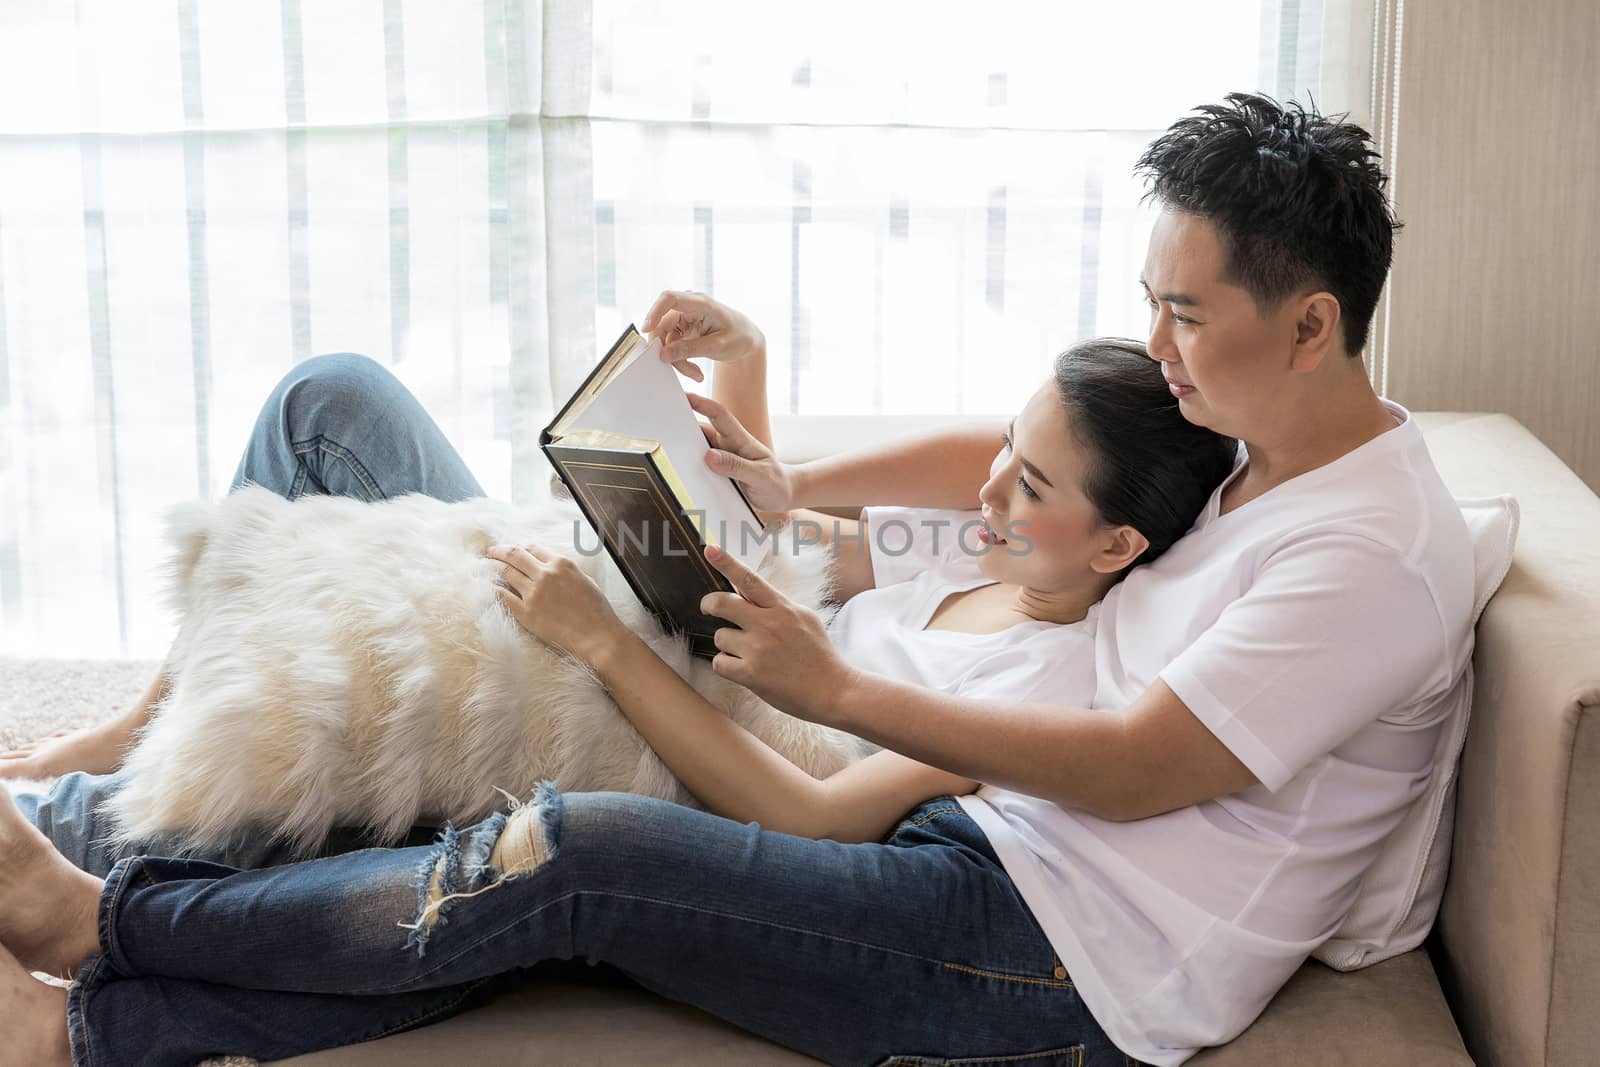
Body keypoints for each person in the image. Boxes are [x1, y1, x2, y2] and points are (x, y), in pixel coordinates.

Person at [0, 90, 1475, 1067]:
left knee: (571, 849)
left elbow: (1144, 768)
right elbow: (1037, 437)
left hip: (1044, 951)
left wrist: (841, 690)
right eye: (1152, 302)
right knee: (373, 473)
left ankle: (95, 953)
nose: (1156, 339)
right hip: (915, 780)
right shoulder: (1238, 427)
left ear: (1309, 325)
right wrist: (787, 485)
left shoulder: (1364, 556)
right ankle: (83, 805)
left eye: (1183, 312)